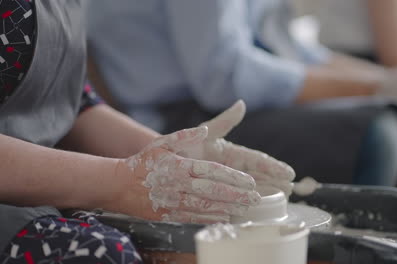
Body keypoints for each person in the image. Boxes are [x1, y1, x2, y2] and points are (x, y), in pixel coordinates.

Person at [0, 1, 294, 262]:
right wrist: (119, 182)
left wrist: (176, 156)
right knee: (103, 253)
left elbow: (73, 103)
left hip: (46, 185)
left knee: (179, 240)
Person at [86, 0, 397, 187]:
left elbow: (293, 50)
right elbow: (223, 77)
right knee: (378, 129)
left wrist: (394, 78)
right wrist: (377, 87)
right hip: (171, 118)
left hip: (214, 98)